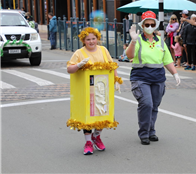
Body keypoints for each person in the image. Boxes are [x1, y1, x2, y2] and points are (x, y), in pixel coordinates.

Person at [126, 11, 180, 145]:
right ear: (142, 25)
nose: (149, 26)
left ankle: (151, 131)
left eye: (152, 24)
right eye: (147, 24)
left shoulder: (160, 41)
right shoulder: (137, 39)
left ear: (155, 25)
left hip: (158, 78)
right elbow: (129, 55)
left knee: (154, 106)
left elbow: (167, 60)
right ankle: (144, 133)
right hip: (141, 77)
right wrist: (133, 41)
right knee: (147, 104)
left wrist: (175, 73)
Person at [67, 27, 121, 155]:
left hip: (103, 89)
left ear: (97, 39)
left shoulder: (103, 50)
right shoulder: (79, 53)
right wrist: (79, 65)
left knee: (102, 114)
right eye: (88, 39)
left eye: (93, 39)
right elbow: (69, 69)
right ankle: (88, 142)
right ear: (83, 41)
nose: (91, 42)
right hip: (86, 91)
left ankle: (96, 137)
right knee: (87, 116)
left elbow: (112, 66)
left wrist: (116, 80)